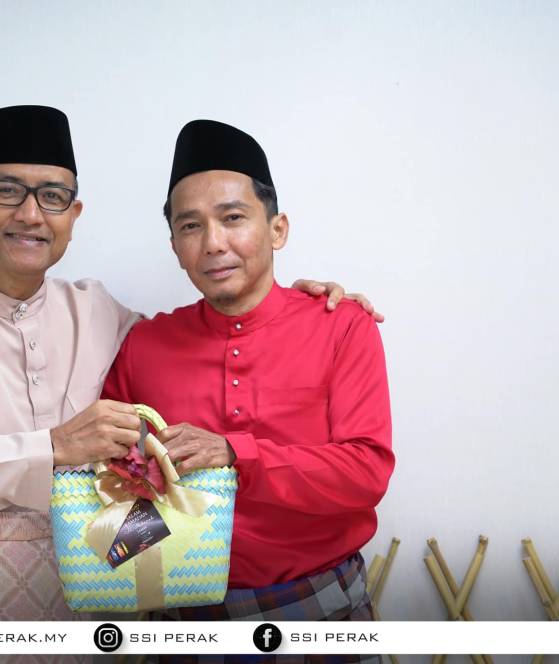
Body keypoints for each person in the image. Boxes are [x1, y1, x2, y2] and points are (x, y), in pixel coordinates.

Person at [0, 105, 380, 651]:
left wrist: (305, 308)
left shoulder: (102, 315)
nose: (31, 214)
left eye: (53, 196)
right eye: (7, 191)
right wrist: (54, 450)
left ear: (73, 214)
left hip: (92, 621)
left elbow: (229, 331)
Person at [101, 120, 394, 662]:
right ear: (175, 247)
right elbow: (110, 486)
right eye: (191, 226)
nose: (213, 243)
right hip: (186, 624)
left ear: (277, 229)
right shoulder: (145, 344)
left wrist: (235, 454)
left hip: (321, 611)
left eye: (233, 218)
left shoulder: (342, 326)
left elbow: (366, 473)